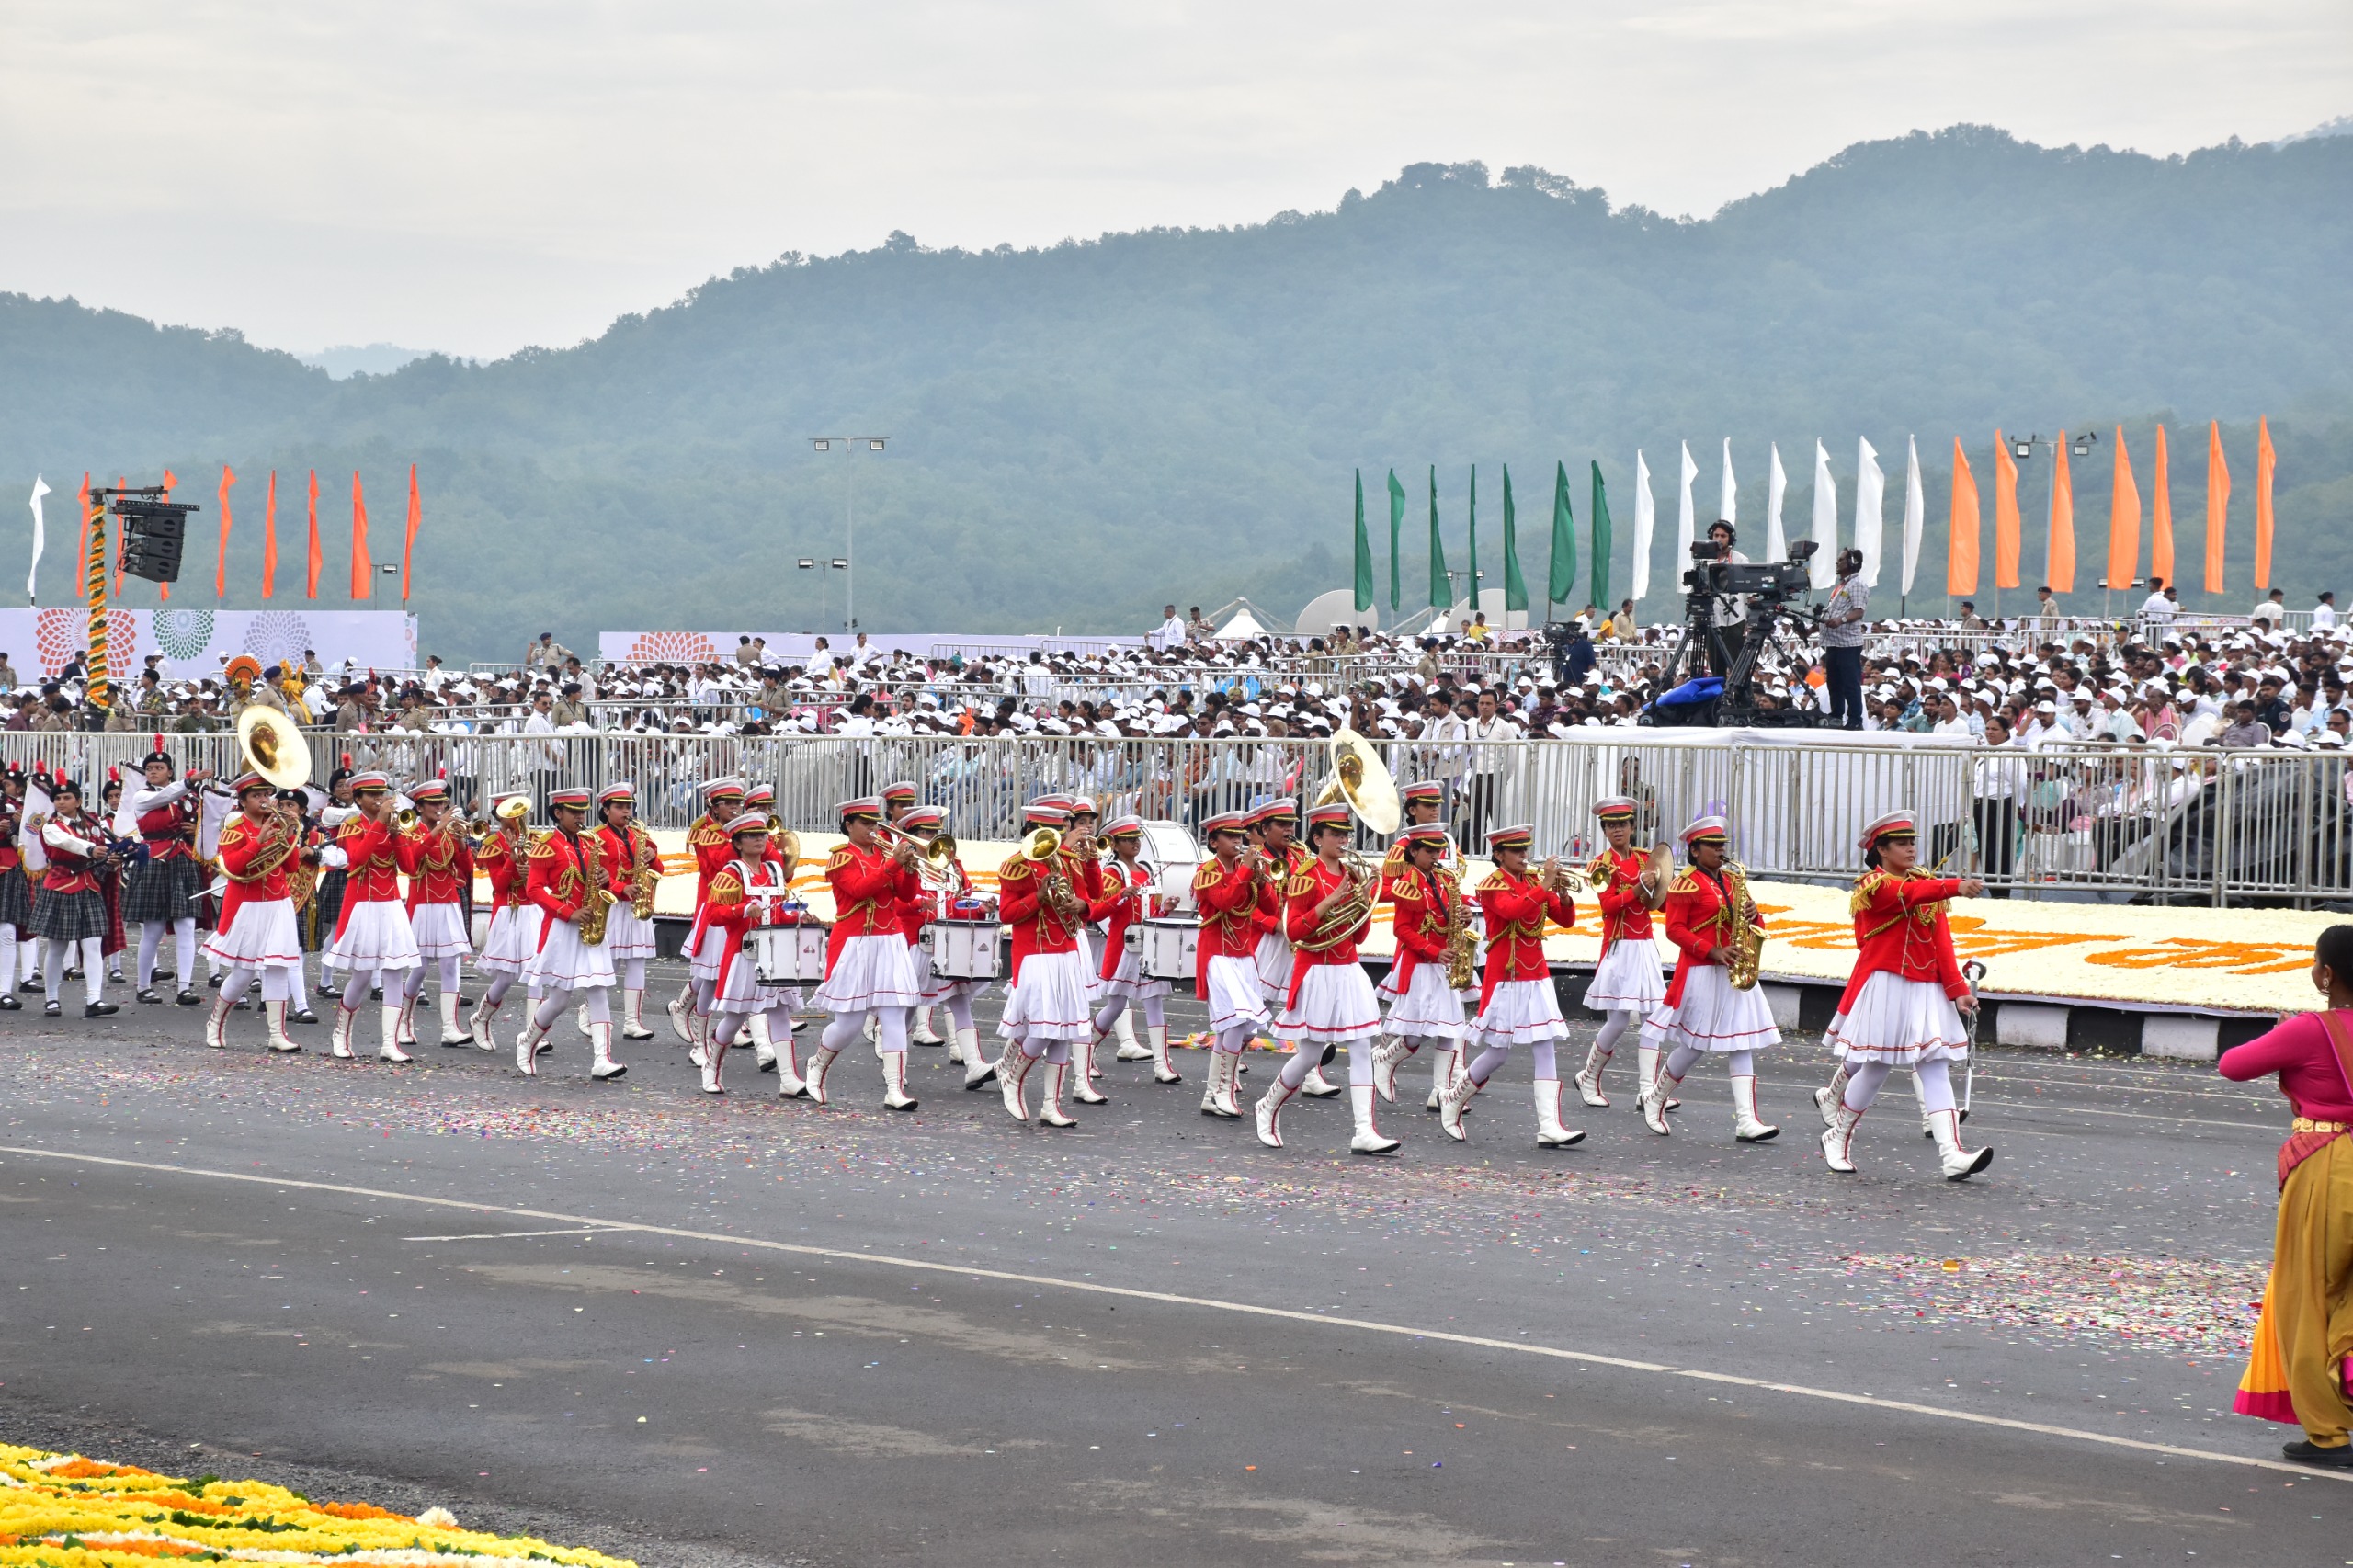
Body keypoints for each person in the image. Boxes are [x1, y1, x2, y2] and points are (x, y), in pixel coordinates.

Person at [2222, 924, 2353, 1468]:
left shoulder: (2311, 1029)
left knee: (2309, 1296)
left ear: (2326, 974)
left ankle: (2330, 1433)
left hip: (2330, 1166)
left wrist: (2284, 1038)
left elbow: (2233, 1066)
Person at [1815, 812, 1993, 1179]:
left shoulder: (1923, 882)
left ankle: (1952, 1154)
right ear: (1881, 850)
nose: (1911, 849)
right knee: (1876, 1067)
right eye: (1901, 843)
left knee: (1935, 1067)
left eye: (1912, 842)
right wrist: (1955, 886)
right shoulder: (1872, 885)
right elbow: (1907, 895)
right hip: (1887, 984)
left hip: (1926, 988)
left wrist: (1957, 991)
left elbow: (1941, 941)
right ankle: (1838, 1135)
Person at [1256, 803, 1394, 1153]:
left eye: (1346, 834)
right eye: (1335, 834)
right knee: (1310, 1054)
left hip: (1348, 970)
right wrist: (1329, 902)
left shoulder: (1353, 875)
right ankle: (1267, 1106)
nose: (1343, 840)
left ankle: (1364, 1131)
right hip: (1316, 971)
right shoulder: (1304, 876)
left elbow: (1358, 936)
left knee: (1361, 1047)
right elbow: (1294, 931)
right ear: (1317, 838)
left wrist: (1366, 898)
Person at [1438, 824, 1584, 1148]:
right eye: (1516, 851)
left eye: (1525, 849)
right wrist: (1545, 885)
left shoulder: (1533, 881)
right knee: (1498, 1053)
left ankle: (1550, 1126)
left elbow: (1565, 920)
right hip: (1507, 976)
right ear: (1499, 854)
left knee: (1545, 1045)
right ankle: (1453, 1098)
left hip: (1536, 974)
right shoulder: (1491, 885)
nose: (1523, 855)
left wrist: (1562, 896)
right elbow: (1513, 911)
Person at [1636, 816, 1780, 1142]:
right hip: (1701, 972)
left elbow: (1753, 924)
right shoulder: (1684, 884)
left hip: (1734, 970)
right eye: (1712, 846)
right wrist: (1711, 950)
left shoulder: (1732, 880)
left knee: (1741, 1042)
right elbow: (1674, 930)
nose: (1719, 850)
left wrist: (1754, 914)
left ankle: (1747, 1120)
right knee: (1694, 1046)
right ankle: (1656, 1098)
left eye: (1721, 845)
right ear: (1695, 850)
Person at [202, 773, 335, 1052]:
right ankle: (215, 1023)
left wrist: (290, 834)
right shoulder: (235, 829)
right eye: (256, 796)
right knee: (243, 974)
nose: (264, 800)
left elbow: (291, 867)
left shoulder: (279, 823)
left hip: (278, 904)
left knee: (277, 969)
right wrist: (259, 840)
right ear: (242, 801)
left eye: (266, 794)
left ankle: (277, 1033)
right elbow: (234, 867)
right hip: (247, 906)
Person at [808, 797, 924, 1109]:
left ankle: (894, 1090)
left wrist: (911, 869)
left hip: (890, 940)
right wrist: (894, 864)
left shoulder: (886, 854)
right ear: (849, 825)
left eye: (875, 822)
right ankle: (817, 1064)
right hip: (855, 943)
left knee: (894, 1014)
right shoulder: (841, 858)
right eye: (865, 823)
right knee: (849, 1025)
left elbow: (907, 895)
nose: (873, 828)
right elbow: (860, 889)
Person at [988, 801, 1100, 1123]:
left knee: (1064, 1032)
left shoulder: (1069, 860)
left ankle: (1051, 1106)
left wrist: (1082, 902)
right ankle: (1012, 1078)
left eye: (1059, 830)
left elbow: (1092, 894)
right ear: (1030, 832)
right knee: (1044, 1028)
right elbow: (1007, 914)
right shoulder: (1017, 865)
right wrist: (1037, 897)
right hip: (1035, 955)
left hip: (1066, 952)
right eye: (1046, 834)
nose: (1055, 839)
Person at [515, 787, 627, 1082]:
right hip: (563, 927)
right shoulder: (546, 846)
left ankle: (602, 1059)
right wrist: (567, 912)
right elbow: (534, 889)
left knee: (598, 990)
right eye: (574, 812)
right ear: (558, 813)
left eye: (582, 812)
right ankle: (527, 1040)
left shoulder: (591, 842)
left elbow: (601, 880)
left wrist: (607, 880)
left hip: (591, 922)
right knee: (560, 999)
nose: (580, 817)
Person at [1574, 797, 1668, 1108]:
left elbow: (1660, 905)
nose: (1618, 830)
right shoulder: (1600, 866)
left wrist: (1664, 886)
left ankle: (1648, 1091)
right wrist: (1640, 887)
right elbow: (1610, 906)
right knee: (1617, 1021)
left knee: (1653, 1018)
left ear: (1632, 826)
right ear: (1604, 830)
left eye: (1623, 824)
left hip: (1645, 946)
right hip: (1618, 946)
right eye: (1611, 825)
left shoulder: (1646, 859)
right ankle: (1588, 1077)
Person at [696, 812, 798, 1095]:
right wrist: (741, 910)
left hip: (774, 952)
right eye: (751, 836)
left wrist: (798, 914)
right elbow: (714, 915)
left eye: (762, 835)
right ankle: (711, 1068)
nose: (759, 840)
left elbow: (779, 912)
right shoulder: (730, 874)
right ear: (738, 843)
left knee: (780, 1013)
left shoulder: (774, 871)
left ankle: (789, 1079)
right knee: (735, 1018)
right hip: (744, 954)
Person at [1370, 822, 1467, 1115]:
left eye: (1438, 850)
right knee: (1416, 1033)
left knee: (1449, 1030)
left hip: (1443, 964)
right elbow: (1401, 929)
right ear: (1413, 852)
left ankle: (1440, 1092)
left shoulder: (1443, 878)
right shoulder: (1406, 883)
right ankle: (1386, 1060)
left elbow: (1447, 916)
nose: (1436, 856)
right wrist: (1434, 951)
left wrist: (1463, 916)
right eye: (1429, 851)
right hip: (1422, 966)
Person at [323, 772, 421, 1061]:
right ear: (359, 798)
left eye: (382, 794)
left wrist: (397, 835)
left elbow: (410, 867)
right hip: (363, 904)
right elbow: (358, 858)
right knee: (363, 975)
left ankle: (390, 1044)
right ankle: (341, 1032)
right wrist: (379, 824)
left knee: (394, 972)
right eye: (372, 795)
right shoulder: (352, 826)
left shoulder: (393, 824)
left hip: (390, 904)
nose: (379, 799)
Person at [1084, 814, 1182, 1086]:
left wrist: (1166, 909)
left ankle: (1162, 1065)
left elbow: (1151, 912)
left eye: (1137, 838)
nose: (1135, 843)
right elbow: (1095, 912)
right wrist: (1120, 896)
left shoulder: (1147, 870)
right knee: (1116, 1005)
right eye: (1128, 840)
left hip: (1148, 946)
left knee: (1154, 1001)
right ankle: (1085, 1055)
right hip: (1124, 948)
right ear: (1115, 845)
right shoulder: (1112, 873)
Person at [1192, 810, 1271, 1119]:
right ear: (1214, 842)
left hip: (1243, 955)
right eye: (1229, 836)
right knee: (1234, 1022)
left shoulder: (1245, 869)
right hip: (1217, 954)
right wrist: (1247, 870)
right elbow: (1223, 902)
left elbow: (1270, 907)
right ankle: (1221, 1092)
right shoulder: (1206, 872)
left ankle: (1213, 1095)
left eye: (1239, 836)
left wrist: (1262, 881)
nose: (1237, 842)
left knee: (1237, 1027)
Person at [122, 743, 214, 1006]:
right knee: (153, 929)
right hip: (154, 861)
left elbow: (208, 824)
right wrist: (189, 782)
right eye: (149, 768)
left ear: (169, 772)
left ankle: (184, 987)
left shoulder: (187, 799)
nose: (153, 772)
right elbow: (165, 797)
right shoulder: (142, 796)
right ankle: (143, 987)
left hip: (182, 860)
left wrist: (195, 829)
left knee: (186, 926)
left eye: (159, 768)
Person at [667, 777, 746, 1055]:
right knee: (712, 973)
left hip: (744, 909)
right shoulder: (706, 834)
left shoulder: (742, 831)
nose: (736, 808)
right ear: (714, 806)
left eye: (739, 803)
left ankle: (687, 1009)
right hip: (718, 907)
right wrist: (737, 836)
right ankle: (700, 1042)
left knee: (731, 971)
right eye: (730, 803)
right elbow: (719, 865)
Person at [32, 778, 121, 1018]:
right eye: (57, 799)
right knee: (58, 946)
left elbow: (102, 851)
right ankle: (51, 999)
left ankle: (94, 1000)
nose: (61, 802)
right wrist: (92, 849)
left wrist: (113, 858)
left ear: (78, 801)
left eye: (67, 798)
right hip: (61, 887)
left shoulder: (92, 825)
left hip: (89, 886)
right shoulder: (50, 826)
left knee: (92, 944)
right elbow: (66, 842)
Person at [397, 780, 476, 1049]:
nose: (439, 807)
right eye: (433, 804)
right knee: (419, 969)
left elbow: (466, 868)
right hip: (422, 905)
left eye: (442, 803)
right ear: (419, 808)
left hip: (447, 903)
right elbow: (411, 862)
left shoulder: (450, 832)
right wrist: (437, 831)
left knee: (451, 965)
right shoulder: (411, 831)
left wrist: (462, 841)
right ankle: (403, 1022)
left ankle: (450, 1028)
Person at [588, 782, 664, 1045]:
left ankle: (632, 1021)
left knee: (637, 962)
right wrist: (621, 888)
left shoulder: (640, 834)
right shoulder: (596, 838)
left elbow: (659, 869)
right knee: (609, 964)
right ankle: (588, 1012)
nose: (626, 811)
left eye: (629, 806)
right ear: (606, 810)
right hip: (611, 906)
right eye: (619, 807)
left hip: (637, 904)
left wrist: (653, 857)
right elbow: (594, 875)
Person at [467, 796, 538, 1052]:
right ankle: (480, 1018)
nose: (518, 818)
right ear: (499, 816)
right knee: (506, 977)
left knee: (536, 973)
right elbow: (498, 886)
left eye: (520, 812)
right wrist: (511, 857)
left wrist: (533, 873)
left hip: (532, 909)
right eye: (510, 813)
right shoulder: (493, 844)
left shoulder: (534, 840)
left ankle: (533, 1033)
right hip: (508, 911)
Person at [1820, 548, 1870, 729]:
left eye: (1841, 560)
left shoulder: (1857, 584)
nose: (1837, 563)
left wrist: (1841, 620)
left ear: (1852, 563)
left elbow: (1859, 611)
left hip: (1848, 643)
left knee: (1850, 682)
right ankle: (1836, 715)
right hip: (1833, 642)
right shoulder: (1841, 586)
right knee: (1834, 682)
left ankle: (1855, 719)